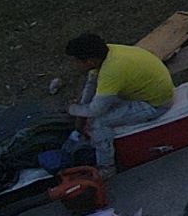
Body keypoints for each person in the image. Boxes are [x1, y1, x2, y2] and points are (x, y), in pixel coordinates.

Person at [65, 32, 173, 171]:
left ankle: (106, 168)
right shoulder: (106, 53)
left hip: (156, 104)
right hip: (145, 91)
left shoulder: (111, 71)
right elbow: (92, 83)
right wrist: (81, 108)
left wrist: (72, 109)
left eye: (76, 61)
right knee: (97, 111)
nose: (74, 64)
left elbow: (97, 110)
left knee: (97, 123)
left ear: (89, 61)